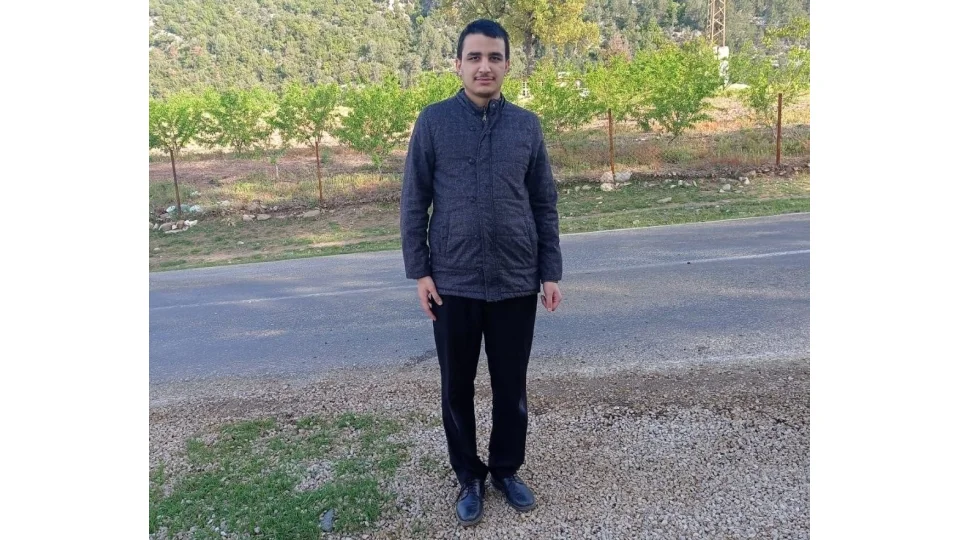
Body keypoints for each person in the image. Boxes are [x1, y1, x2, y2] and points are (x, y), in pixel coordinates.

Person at [400, 19, 563, 527]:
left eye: (494, 57)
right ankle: (468, 475)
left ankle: (506, 470)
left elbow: (544, 202)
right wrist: (420, 271)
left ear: (507, 65)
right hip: (452, 282)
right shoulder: (433, 122)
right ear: (458, 65)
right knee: (457, 387)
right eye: (474, 57)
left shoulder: (527, 127)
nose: (484, 67)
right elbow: (414, 201)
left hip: (516, 279)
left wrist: (550, 271)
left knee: (511, 386)